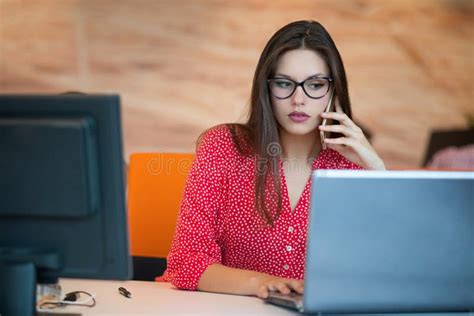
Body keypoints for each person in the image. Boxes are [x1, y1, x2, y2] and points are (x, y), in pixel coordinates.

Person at [157, 20, 385, 299]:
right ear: (266, 88)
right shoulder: (222, 147)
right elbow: (187, 263)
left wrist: (377, 171)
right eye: (283, 83)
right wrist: (265, 284)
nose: (298, 99)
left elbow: (392, 271)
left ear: (334, 91)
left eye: (315, 84)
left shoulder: (355, 166)